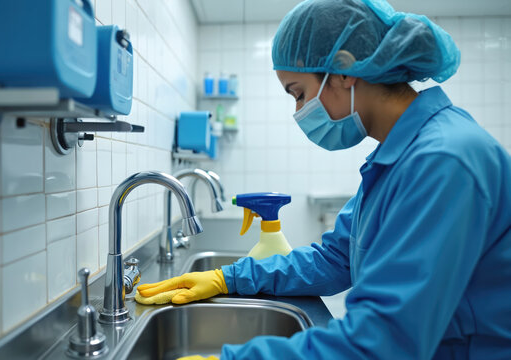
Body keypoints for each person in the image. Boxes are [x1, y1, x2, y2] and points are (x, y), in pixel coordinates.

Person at [138, 0, 511, 358]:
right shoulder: (398, 157)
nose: (299, 112)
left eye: (298, 94)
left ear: (344, 71)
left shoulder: (443, 161)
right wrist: (228, 278)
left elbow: (381, 342)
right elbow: (336, 258)